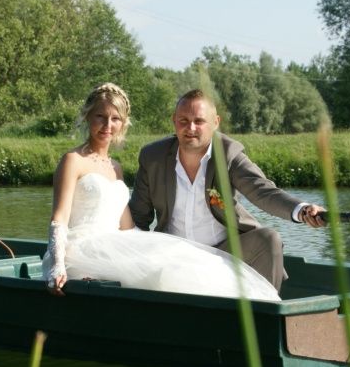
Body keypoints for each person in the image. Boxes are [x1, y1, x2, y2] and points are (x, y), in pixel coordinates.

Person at [42, 83, 280, 301]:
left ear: (123, 123)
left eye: (115, 118)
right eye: (100, 117)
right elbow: (59, 219)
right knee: (167, 270)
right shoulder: (73, 160)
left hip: (115, 244)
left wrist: (160, 246)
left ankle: (243, 311)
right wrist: (57, 265)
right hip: (80, 250)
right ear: (88, 117)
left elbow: (127, 226)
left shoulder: (114, 168)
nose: (107, 125)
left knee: (185, 260)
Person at [129, 89, 326, 295]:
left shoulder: (228, 154)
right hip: (173, 255)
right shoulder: (153, 157)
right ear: (174, 121)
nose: (191, 128)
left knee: (269, 239)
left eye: (199, 121)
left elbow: (263, 191)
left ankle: (264, 315)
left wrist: (302, 210)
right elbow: (138, 218)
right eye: (183, 121)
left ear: (216, 122)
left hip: (223, 254)